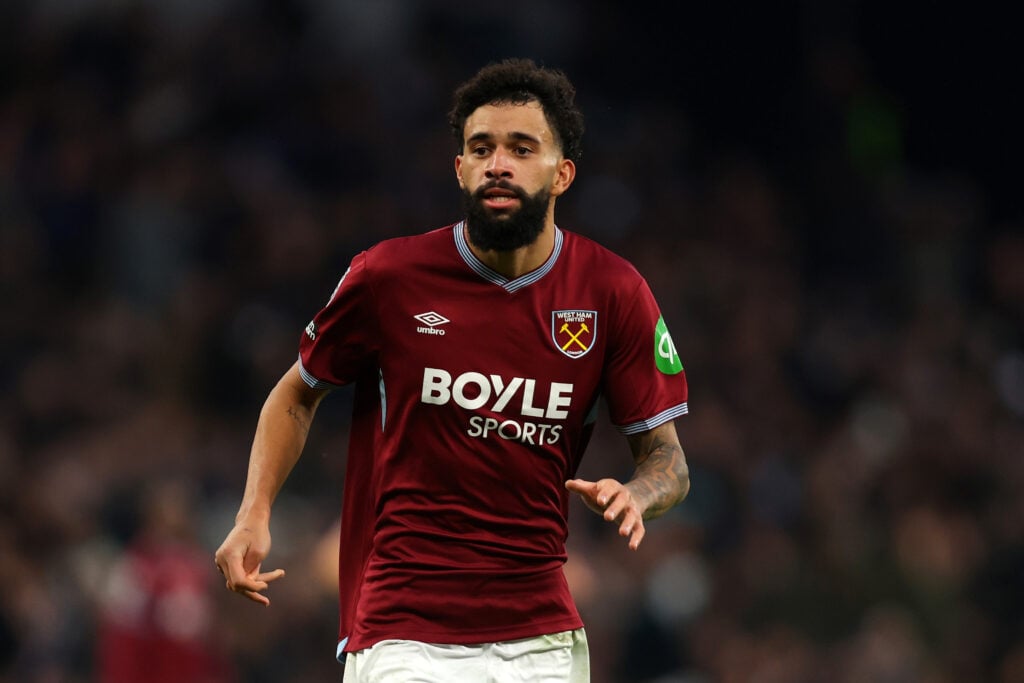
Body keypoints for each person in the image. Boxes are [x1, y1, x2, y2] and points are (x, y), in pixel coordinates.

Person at [214, 57, 691, 683]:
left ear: (562, 173)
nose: (499, 163)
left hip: (540, 634)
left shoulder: (613, 292)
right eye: (481, 147)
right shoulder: (389, 277)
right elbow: (297, 395)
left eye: (522, 148)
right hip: (403, 628)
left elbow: (668, 461)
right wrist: (254, 512)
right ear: (460, 168)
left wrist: (637, 494)